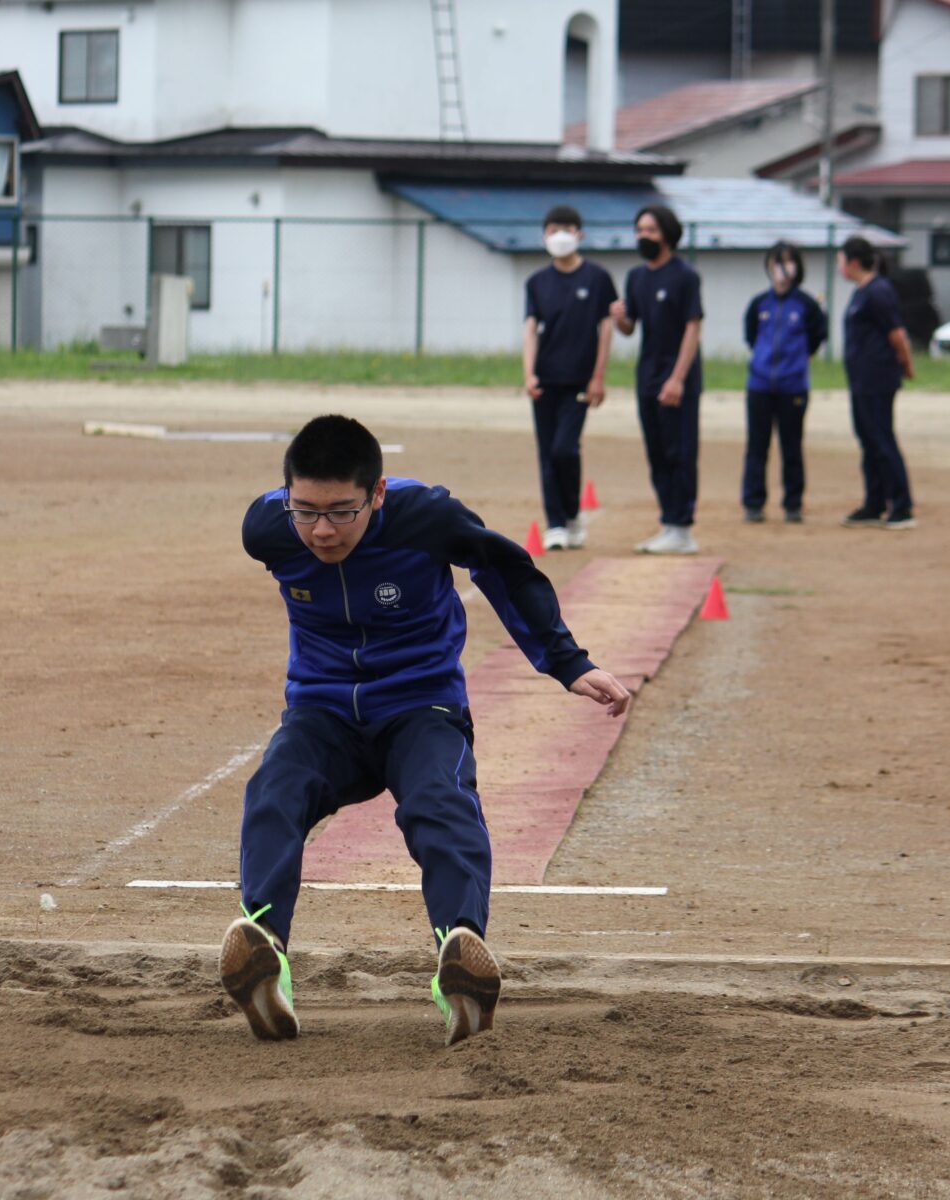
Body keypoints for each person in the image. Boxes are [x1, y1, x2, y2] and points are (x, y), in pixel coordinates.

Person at [225, 415, 632, 1046]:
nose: (322, 530)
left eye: (341, 511)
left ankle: (460, 960)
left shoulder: (426, 518)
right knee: (273, 789)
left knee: (439, 804)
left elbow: (504, 568)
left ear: (378, 494)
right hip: (322, 714)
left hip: (420, 709)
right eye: (304, 511)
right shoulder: (267, 530)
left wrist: (568, 663)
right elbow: (291, 524)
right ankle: (265, 954)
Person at [522, 205, 617, 551]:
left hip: (579, 380)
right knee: (547, 451)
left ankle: (573, 512)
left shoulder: (597, 278)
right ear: (544, 235)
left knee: (565, 449)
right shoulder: (536, 282)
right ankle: (557, 523)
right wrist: (529, 373)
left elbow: (606, 329)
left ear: (580, 234)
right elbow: (531, 328)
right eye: (552, 229)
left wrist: (598, 376)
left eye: (566, 228)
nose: (559, 235)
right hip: (545, 379)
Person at [610, 204, 703, 555]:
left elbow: (693, 327)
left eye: (649, 230)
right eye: (639, 230)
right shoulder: (637, 277)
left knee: (680, 451)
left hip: (678, 380)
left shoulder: (685, 275)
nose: (642, 236)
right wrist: (620, 317)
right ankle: (668, 522)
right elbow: (630, 328)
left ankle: (682, 528)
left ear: (666, 233)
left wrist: (677, 379)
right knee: (657, 453)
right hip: (647, 377)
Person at [740, 242, 828, 523]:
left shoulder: (807, 305)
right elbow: (751, 337)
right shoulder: (758, 304)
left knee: (792, 446)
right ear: (768, 266)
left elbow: (816, 339)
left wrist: (795, 363)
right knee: (757, 446)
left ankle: (793, 503)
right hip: (760, 386)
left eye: (789, 262)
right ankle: (753, 503)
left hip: (793, 387)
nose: (782, 268)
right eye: (777, 262)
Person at [837, 236, 917, 530]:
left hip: (877, 379)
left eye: (841, 260)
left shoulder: (879, 290)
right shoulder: (861, 292)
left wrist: (906, 365)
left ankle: (902, 505)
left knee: (882, 438)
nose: (839, 266)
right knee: (868, 439)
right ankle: (874, 503)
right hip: (860, 380)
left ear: (853, 262)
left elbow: (896, 333)